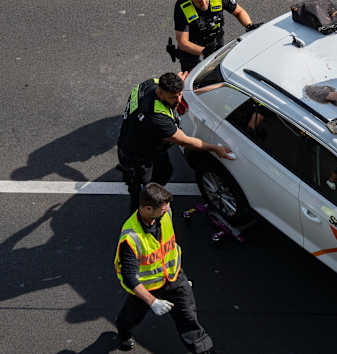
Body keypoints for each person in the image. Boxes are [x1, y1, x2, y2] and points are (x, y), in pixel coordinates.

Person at [114, 183, 216, 353]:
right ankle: (124, 332)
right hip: (147, 287)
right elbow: (129, 276)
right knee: (131, 317)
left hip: (174, 278)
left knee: (188, 317)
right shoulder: (131, 238)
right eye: (163, 208)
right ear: (148, 209)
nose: (167, 210)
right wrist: (152, 301)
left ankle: (204, 350)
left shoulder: (165, 213)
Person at [117, 72, 233, 213]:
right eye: (173, 97)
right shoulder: (155, 118)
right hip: (136, 157)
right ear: (160, 92)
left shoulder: (151, 84)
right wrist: (215, 148)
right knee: (142, 194)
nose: (179, 100)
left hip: (149, 144)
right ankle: (142, 220)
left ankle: (155, 198)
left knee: (165, 171)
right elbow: (185, 141)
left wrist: (181, 82)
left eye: (179, 94)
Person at [174, 0, 261, 72]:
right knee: (190, 74)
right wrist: (204, 51)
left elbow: (239, 11)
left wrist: (249, 25)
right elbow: (183, 42)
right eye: (199, 1)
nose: (203, 4)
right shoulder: (182, 6)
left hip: (215, 38)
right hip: (192, 43)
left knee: (218, 69)